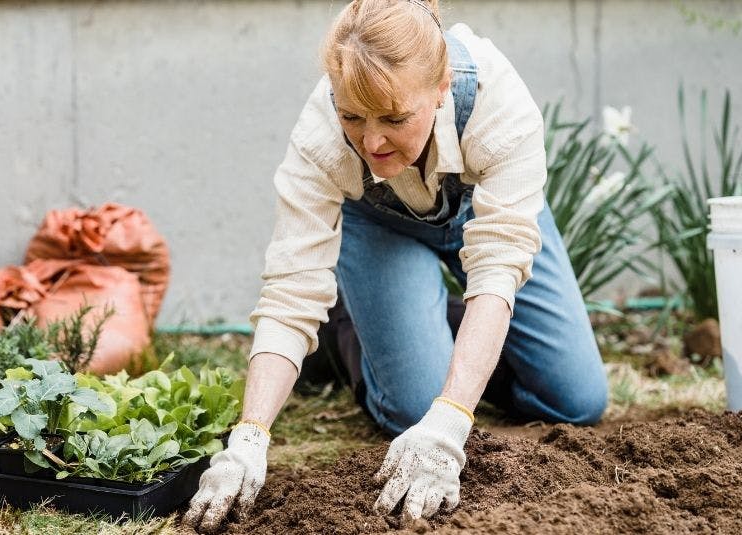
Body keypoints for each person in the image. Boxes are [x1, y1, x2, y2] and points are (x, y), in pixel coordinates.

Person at [183, 0, 608, 531]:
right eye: (352, 117)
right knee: (413, 409)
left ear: (441, 87)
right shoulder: (319, 138)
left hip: (488, 214)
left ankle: (404, 319)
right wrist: (248, 439)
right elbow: (292, 291)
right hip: (379, 225)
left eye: (394, 118)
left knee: (576, 400)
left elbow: (497, 270)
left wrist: (452, 420)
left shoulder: (497, 105)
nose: (372, 140)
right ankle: (349, 330)